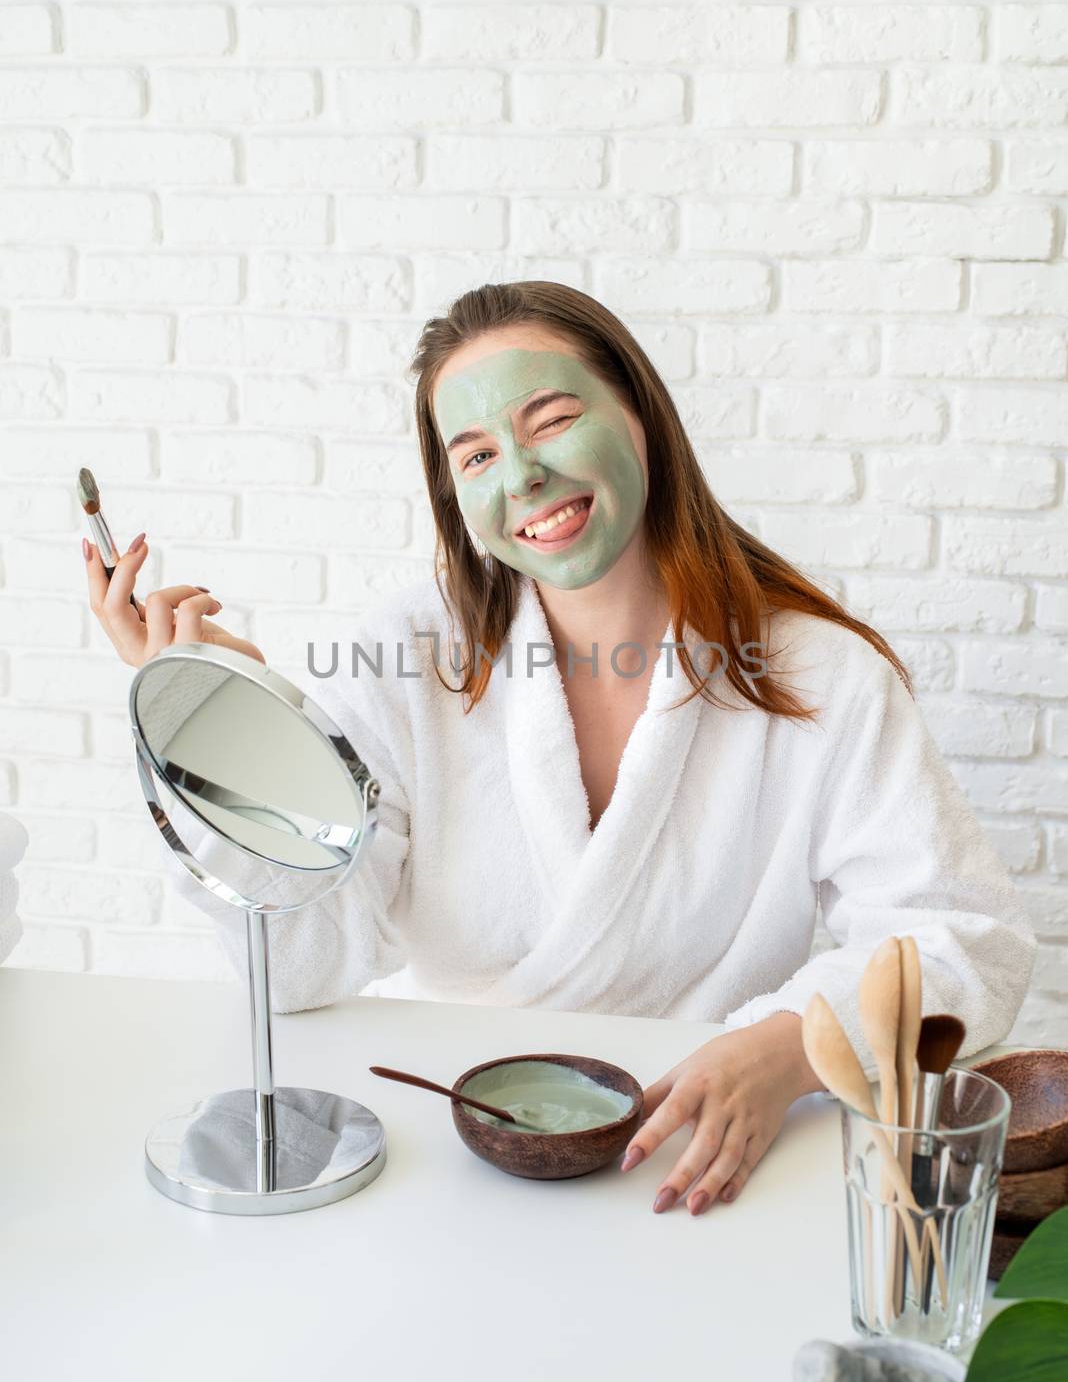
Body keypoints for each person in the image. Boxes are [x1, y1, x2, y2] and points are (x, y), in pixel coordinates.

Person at [84, 280, 1035, 1219]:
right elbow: (296, 972)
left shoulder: (818, 678)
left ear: (642, 417)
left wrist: (788, 1049)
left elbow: (967, 942)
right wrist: (230, 739)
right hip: (461, 1156)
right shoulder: (407, 663)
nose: (521, 475)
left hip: (703, 1154)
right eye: (478, 454)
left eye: (550, 419)